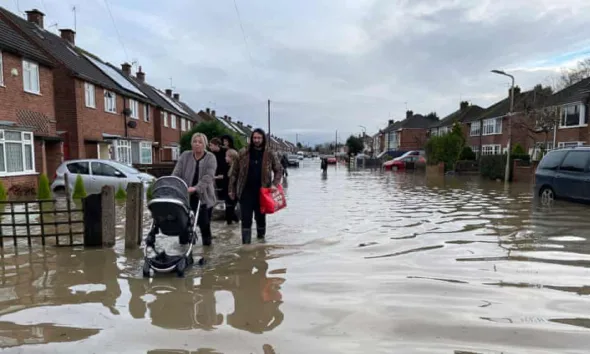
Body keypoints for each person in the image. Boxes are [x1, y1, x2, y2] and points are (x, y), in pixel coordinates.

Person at [228, 128, 283, 244]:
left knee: (261, 219)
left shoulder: (270, 154)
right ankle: (246, 247)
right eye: (254, 138)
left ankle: (261, 244)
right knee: (246, 220)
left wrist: (274, 184)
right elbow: (234, 172)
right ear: (251, 139)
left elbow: (279, 170)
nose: (256, 140)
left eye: (259, 138)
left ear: (263, 139)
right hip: (245, 192)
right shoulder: (243, 153)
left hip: (263, 193)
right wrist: (231, 190)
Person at [172, 132, 217, 246]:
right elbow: (177, 172)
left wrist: (196, 188)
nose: (197, 144)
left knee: (204, 225)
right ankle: (183, 248)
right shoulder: (185, 155)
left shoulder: (210, 158)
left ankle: (207, 250)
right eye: (195, 142)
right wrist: (175, 185)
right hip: (186, 196)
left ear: (205, 144)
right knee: (183, 224)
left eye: (200, 142)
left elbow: (208, 177)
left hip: (204, 196)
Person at [225, 148, 240, 225]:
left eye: (226, 156)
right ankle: (232, 228)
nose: (225, 158)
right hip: (229, 192)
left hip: (233, 193)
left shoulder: (236, 168)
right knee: (229, 211)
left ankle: (232, 228)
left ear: (232, 157)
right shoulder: (228, 167)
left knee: (229, 211)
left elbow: (235, 181)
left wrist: (232, 192)